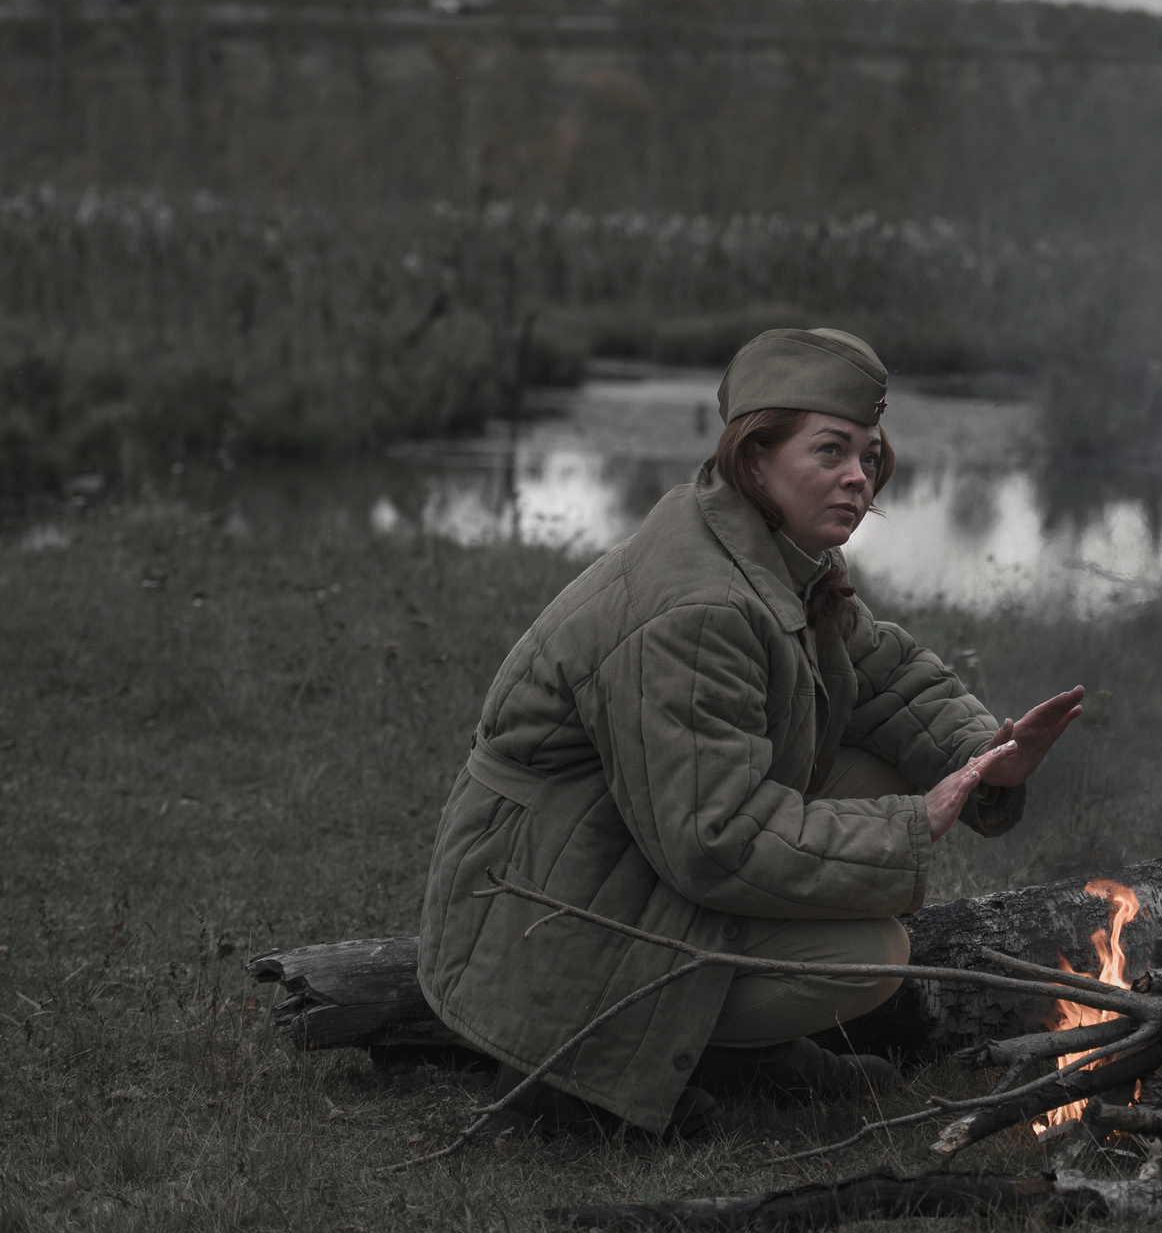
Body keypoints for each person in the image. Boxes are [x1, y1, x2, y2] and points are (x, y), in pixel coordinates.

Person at [417, 327, 1083, 1136]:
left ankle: (731, 1046)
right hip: (540, 913)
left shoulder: (767, 546)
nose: (857, 477)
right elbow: (715, 838)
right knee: (871, 952)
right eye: (830, 450)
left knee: (878, 764)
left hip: (614, 852)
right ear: (754, 455)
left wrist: (989, 758)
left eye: (869, 456)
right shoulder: (701, 608)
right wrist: (910, 826)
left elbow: (881, 674)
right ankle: (595, 1072)